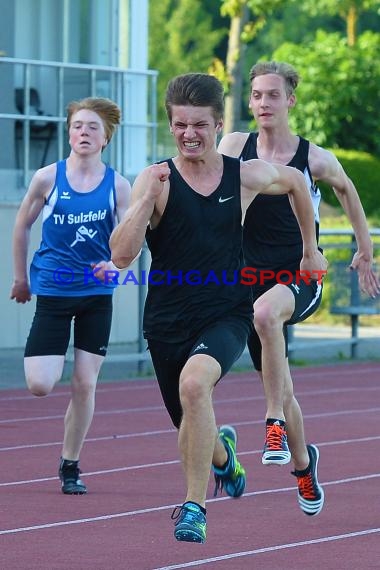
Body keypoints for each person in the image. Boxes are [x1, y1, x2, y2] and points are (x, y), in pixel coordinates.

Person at [110, 72, 328, 543]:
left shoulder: (242, 174)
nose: (190, 134)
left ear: (217, 124)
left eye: (200, 125)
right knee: (190, 426)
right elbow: (121, 255)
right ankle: (224, 458)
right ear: (171, 124)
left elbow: (295, 182)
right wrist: (145, 198)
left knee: (195, 384)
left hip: (227, 312)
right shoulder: (155, 179)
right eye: (181, 125)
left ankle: (194, 508)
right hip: (167, 322)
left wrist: (310, 250)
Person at [218, 61, 380, 516]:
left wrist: (365, 251)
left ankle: (271, 425)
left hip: (300, 275)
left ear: (290, 100)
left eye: (273, 95)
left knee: (269, 314)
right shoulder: (234, 146)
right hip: (245, 281)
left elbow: (348, 192)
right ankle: (305, 464)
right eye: (257, 95)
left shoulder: (314, 158)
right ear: (249, 101)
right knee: (282, 382)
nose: (264, 103)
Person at [10, 97, 131, 495]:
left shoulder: (118, 185)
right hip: (54, 293)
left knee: (85, 383)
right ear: (68, 132)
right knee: (41, 384)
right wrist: (20, 278)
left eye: (92, 127)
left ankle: (70, 464)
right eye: (78, 125)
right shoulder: (47, 178)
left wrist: (117, 267)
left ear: (105, 137)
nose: (84, 132)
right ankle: (53, 358)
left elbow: (134, 239)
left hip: (96, 294)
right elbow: (22, 226)